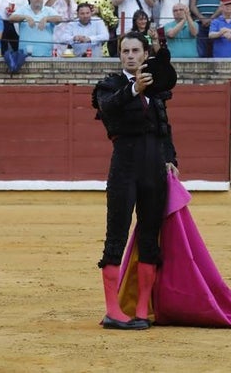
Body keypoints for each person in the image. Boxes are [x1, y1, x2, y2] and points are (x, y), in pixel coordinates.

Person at [91, 31, 177, 331]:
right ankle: (113, 310)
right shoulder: (110, 85)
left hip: (154, 168)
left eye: (135, 50)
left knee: (150, 239)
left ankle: (142, 309)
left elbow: (164, 128)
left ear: (144, 54)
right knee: (116, 235)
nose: (130, 55)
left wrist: (170, 159)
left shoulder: (156, 89)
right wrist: (134, 89)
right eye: (125, 50)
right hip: (124, 166)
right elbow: (109, 109)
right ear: (119, 55)